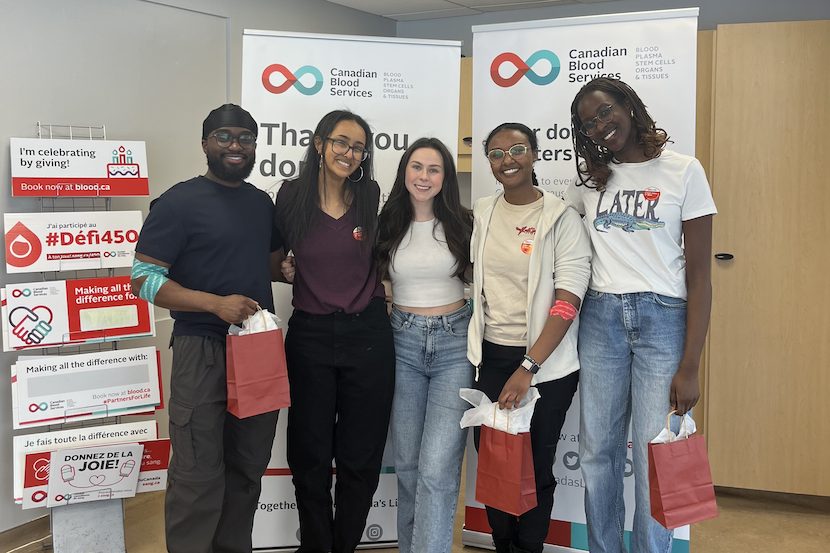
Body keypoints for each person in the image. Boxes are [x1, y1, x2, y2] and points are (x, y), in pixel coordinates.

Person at [565, 77, 717, 553]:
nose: (600, 126)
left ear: (629, 106)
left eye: (606, 111)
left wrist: (690, 365)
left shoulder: (683, 171)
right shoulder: (590, 182)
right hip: (601, 318)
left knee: (657, 456)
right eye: (589, 122)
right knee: (597, 454)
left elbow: (700, 279)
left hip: (662, 320)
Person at [130, 103, 282, 553]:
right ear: (205, 144)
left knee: (248, 467)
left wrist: (289, 270)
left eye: (245, 139)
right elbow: (143, 279)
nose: (236, 146)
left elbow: (268, 263)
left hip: (257, 349)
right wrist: (214, 304)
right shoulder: (177, 203)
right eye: (225, 137)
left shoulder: (260, 204)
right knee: (197, 473)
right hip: (201, 349)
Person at [274, 110, 395, 553]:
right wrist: (283, 267)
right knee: (308, 455)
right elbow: (273, 259)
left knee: (360, 456)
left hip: (369, 336)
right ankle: (317, 546)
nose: (349, 152)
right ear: (320, 144)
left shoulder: (371, 195)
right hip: (311, 337)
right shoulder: (289, 197)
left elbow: (379, 257)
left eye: (358, 146)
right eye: (341, 142)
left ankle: (343, 547)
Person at [468, 122, 592, 553]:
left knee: (534, 470)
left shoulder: (560, 217)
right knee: (497, 467)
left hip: (546, 367)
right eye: (497, 153)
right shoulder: (482, 211)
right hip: (489, 362)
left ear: (536, 154)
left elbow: (567, 300)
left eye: (517, 149)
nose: (508, 160)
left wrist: (528, 368)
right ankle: (504, 546)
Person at [375, 137, 473, 553]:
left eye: (434, 170)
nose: (424, 177)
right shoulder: (386, 223)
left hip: (454, 345)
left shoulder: (464, 222)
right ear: (404, 172)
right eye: (417, 167)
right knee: (411, 468)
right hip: (402, 344)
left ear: (445, 178)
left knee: (436, 468)